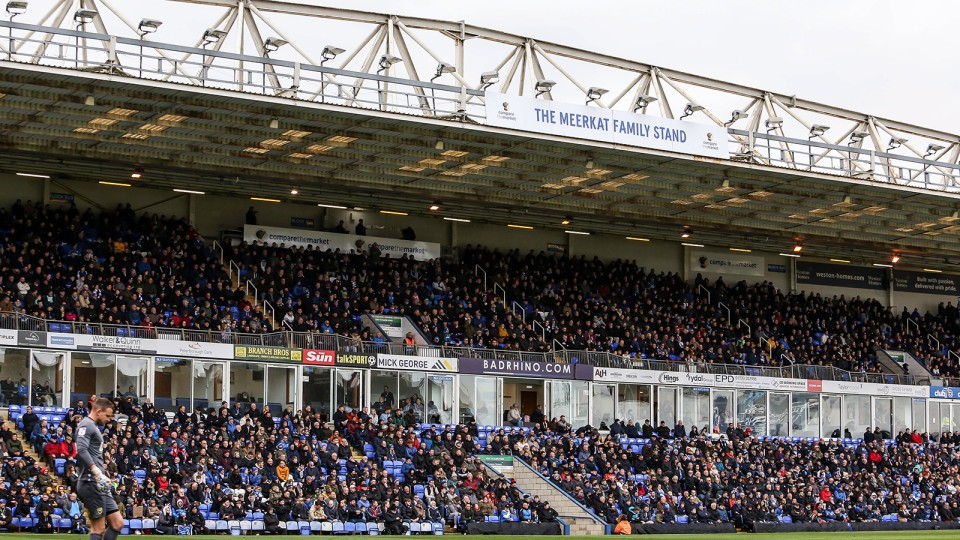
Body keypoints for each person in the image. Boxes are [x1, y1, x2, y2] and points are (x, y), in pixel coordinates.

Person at [75, 397, 123, 540]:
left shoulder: (93, 426)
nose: (109, 419)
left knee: (117, 523)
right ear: (98, 411)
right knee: (99, 528)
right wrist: (95, 470)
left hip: (99, 483)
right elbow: (81, 450)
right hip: (90, 481)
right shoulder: (86, 425)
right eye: (107, 415)